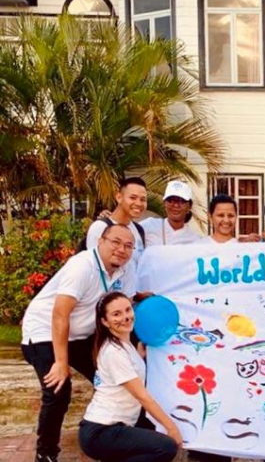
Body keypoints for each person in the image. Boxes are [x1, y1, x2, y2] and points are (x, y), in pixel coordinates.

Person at [21, 226, 137, 462]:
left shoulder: (126, 269)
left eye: (128, 246)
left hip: (80, 334)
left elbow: (124, 305)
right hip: (44, 330)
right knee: (58, 389)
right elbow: (60, 314)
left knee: (117, 377)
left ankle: (108, 437)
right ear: (100, 242)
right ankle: (46, 454)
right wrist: (61, 363)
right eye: (115, 242)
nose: (121, 250)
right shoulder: (82, 266)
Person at [78, 293, 181, 462]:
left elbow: (130, 369)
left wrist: (140, 355)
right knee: (165, 447)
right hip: (101, 431)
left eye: (127, 310)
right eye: (116, 314)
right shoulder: (114, 352)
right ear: (105, 321)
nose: (125, 317)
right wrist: (171, 427)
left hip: (110, 428)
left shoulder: (125, 345)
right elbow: (141, 396)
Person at [84, 176, 148, 254]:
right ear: (119, 197)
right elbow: (95, 262)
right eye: (133, 198)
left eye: (143, 199)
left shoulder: (138, 229)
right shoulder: (101, 227)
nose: (138, 203)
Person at [140, 181, 202, 247]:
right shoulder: (148, 225)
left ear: (189, 206)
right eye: (170, 200)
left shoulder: (195, 240)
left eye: (181, 201)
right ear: (164, 203)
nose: (175, 205)